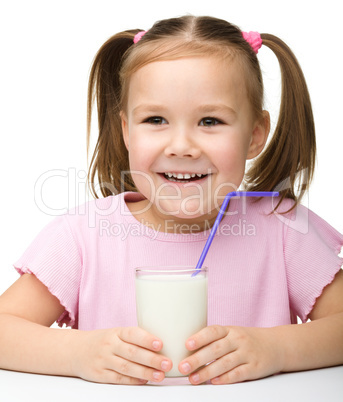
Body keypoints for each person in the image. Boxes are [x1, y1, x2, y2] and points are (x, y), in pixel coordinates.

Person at [0, 15, 342, 386]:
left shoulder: (283, 228)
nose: (181, 147)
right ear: (126, 131)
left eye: (210, 121)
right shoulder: (82, 236)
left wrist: (277, 349)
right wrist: (79, 353)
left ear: (256, 134)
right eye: (156, 119)